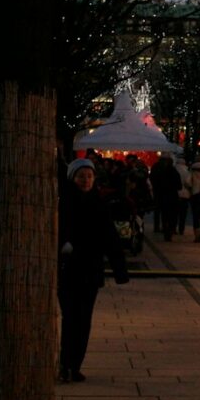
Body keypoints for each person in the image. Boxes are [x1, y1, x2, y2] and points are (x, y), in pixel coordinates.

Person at [58, 158, 130, 383]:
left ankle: (74, 365)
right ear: (73, 178)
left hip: (90, 270)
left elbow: (110, 237)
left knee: (84, 320)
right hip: (68, 269)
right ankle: (65, 364)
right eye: (81, 176)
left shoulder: (99, 203)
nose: (86, 180)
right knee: (71, 318)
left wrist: (120, 270)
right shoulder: (64, 202)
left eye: (89, 176)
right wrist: (63, 244)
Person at [150, 155, 182, 242]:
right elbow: (179, 186)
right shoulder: (175, 173)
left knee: (164, 215)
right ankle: (170, 230)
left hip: (163, 196)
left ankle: (165, 230)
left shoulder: (161, 172)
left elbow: (156, 182)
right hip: (173, 196)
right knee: (172, 215)